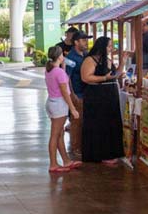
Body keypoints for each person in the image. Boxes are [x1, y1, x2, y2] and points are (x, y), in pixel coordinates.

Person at [80, 36, 125, 164]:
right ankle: (100, 153)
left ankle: (111, 152)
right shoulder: (90, 59)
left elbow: (114, 74)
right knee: (99, 123)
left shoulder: (108, 59)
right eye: (109, 46)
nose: (111, 49)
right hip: (97, 95)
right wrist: (104, 78)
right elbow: (86, 77)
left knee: (111, 122)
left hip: (110, 94)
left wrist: (122, 63)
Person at [45, 46, 82, 173]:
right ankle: (53, 164)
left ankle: (66, 160)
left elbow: (61, 80)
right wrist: (73, 109)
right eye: (62, 55)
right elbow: (65, 92)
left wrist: (63, 66)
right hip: (59, 104)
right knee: (55, 135)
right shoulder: (58, 72)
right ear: (60, 56)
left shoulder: (50, 70)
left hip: (51, 102)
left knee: (59, 134)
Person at [64, 31, 90, 157]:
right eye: (83, 40)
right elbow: (66, 78)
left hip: (86, 92)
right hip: (77, 93)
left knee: (84, 121)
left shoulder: (86, 55)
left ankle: (83, 146)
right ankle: (76, 148)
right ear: (76, 42)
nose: (86, 42)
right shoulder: (70, 58)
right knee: (76, 121)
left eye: (86, 40)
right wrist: (72, 96)